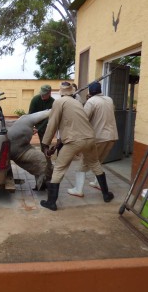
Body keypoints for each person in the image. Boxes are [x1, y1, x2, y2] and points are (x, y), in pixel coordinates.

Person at [40, 82, 114, 211]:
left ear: (60, 91)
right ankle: (106, 195)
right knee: (95, 163)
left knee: (59, 168)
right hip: (90, 138)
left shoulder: (59, 102)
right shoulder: (77, 102)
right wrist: (59, 142)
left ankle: (51, 202)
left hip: (74, 140)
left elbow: (52, 123)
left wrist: (45, 144)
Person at [67, 81, 118, 197]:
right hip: (112, 136)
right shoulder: (109, 99)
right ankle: (97, 183)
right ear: (100, 90)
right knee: (99, 161)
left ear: (90, 91)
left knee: (84, 163)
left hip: (99, 137)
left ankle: (78, 190)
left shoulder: (91, 101)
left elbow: (83, 119)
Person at [6, 110, 52, 191]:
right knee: (43, 163)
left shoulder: (23, 121)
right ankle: (43, 182)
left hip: (22, 149)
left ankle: (41, 183)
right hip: (19, 150)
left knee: (43, 162)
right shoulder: (24, 121)